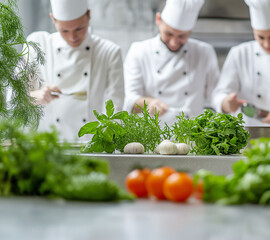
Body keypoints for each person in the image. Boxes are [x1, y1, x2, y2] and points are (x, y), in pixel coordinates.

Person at [28, 0, 124, 142]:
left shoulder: (108, 51)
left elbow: (116, 106)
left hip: (90, 145)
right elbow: (13, 98)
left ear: (89, 16)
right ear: (53, 19)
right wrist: (37, 96)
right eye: (64, 31)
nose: (72, 37)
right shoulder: (38, 45)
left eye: (79, 28)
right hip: (48, 146)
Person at [124, 0, 220, 125]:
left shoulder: (204, 52)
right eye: (169, 34)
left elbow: (215, 93)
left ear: (190, 31)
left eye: (182, 36)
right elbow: (129, 98)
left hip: (191, 134)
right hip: (153, 134)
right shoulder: (139, 51)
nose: (174, 42)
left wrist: (225, 101)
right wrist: (148, 102)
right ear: (158, 20)